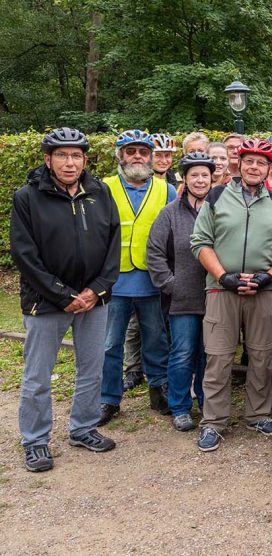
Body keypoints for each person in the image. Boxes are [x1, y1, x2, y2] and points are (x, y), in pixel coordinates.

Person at [12, 128, 120, 471]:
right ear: (48, 159)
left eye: (76, 155)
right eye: (62, 155)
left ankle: (83, 428)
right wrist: (63, 295)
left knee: (91, 370)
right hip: (46, 302)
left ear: (84, 159)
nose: (69, 162)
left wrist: (96, 290)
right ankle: (35, 440)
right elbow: (24, 255)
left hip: (93, 300)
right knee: (37, 377)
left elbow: (114, 245)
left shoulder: (100, 192)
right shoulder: (27, 197)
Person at [190, 138, 272, 452]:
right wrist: (223, 276)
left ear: (269, 168)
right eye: (249, 161)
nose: (254, 167)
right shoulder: (217, 196)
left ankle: (258, 414)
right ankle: (213, 422)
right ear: (239, 164)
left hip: (264, 289)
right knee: (218, 357)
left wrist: (268, 275)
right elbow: (200, 241)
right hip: (222, 288)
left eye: (261, 162)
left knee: (262, 355)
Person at [99, 130, 177, 425]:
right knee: (110, 344)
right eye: (130, 151)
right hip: (113, 281)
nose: (137, 157)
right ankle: (108, 399)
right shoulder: (103, 188)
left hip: (152, 280)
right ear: (120, 155)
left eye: (143, 152)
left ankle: (160, 393)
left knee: (156, 340)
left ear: (151, 156)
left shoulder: (165, 189)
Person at [146, 153, 214, 432]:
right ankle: (180, 406)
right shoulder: (170, 213)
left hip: (214, 296)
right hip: (182, 300)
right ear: (184, 179)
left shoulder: (219, 209)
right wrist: (170, 285)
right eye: (194, 175)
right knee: (183, 352)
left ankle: (206, 404)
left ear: (213, 179)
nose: (200, 180)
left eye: (205, 175)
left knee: (208, 355)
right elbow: (155, 252)